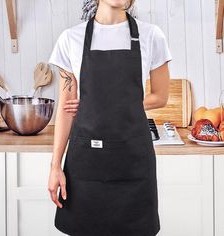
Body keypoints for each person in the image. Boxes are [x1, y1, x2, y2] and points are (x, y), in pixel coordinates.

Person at [48, 0, 172, 235]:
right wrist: (55, 166)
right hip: (86, 166)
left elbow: (161, 96)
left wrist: (106, 101)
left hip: (134, 165)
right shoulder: (70, 39)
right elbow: (66, 108)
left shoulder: (151, 36)